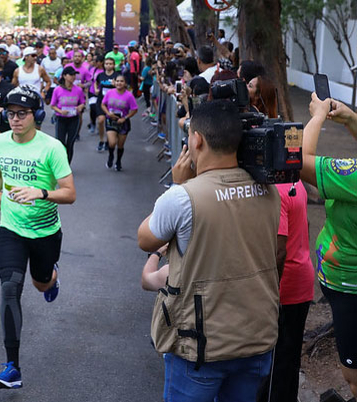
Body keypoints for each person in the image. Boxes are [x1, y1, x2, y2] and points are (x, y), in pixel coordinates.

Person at [137, 100, 281, 401]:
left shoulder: (183, 197)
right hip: (255, 338)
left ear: (197, 139)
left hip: (201, 345)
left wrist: (177, 185)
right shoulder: (269, 190)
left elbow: (146, 239)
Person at [0, 87, 75, 390]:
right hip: (12, 230)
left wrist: (41, 192)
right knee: (9, 288)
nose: (15, 119)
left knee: (40, 282)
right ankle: (13, 367)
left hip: (45, 232)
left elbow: (69, 194)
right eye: (10, 113)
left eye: (22, 113)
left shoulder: (52, 147)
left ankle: (52, 278)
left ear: (36, 116)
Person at [300, 92, 357, 398]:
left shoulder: (352, 177)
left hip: (349, 284)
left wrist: (318, 115)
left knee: (354, 375)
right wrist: (349, 118)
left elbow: (298, 159)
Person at [101, 74, 138, 171]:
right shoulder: (110, 92)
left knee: (120, 145)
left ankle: (118, 161)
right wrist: (108, 113)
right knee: (112, 142)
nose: (119, 83)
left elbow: (134, 109)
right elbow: (103, 104)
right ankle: (110, 156)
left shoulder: (129, 95)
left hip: (122, 121)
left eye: (121, 81)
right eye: (117, 81)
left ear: (125, 83)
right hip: (111, 119)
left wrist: (125, 118)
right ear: (114, 82)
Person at [49, 67, 85, 164]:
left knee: (70, 142)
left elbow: (82, 102)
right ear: (64, 76)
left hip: (74, 119)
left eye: (74, 75)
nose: (73, 77)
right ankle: (60, 162)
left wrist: (80, 107)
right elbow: (52, 105)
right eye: (71, 75)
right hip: (61, 119)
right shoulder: (57, 90)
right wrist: (60, 111)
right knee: (60, 143)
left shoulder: (78, 90)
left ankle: (67, 164)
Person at [93, 57, 120, 152]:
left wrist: (115, 85)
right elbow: (95, 83)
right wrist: (96, 89)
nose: (108, 65)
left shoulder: (117, 75)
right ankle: (101, 140)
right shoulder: (101, 75)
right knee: (101, 120)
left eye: (110, 64)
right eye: (106, 64)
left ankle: (109, 140)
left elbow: (123, 86)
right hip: (101, 100)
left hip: (113, 102)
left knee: (111, 121)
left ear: (113, 65)